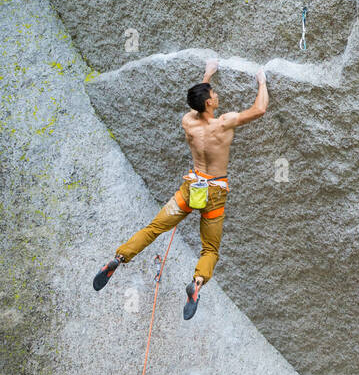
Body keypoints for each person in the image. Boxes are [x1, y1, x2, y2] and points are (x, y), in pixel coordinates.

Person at [93, 58, 269, 319]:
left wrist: (208, 73)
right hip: (215, 194)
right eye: (213, 94)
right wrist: (262, 81)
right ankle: (197, 282)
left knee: (154, 229)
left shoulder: (188, 121)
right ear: (209, 102)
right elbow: (259, 109)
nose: (216, 95)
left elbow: (197, 99)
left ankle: (119, 258)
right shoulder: (224, 123)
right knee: (209, 249)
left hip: (190, 190)